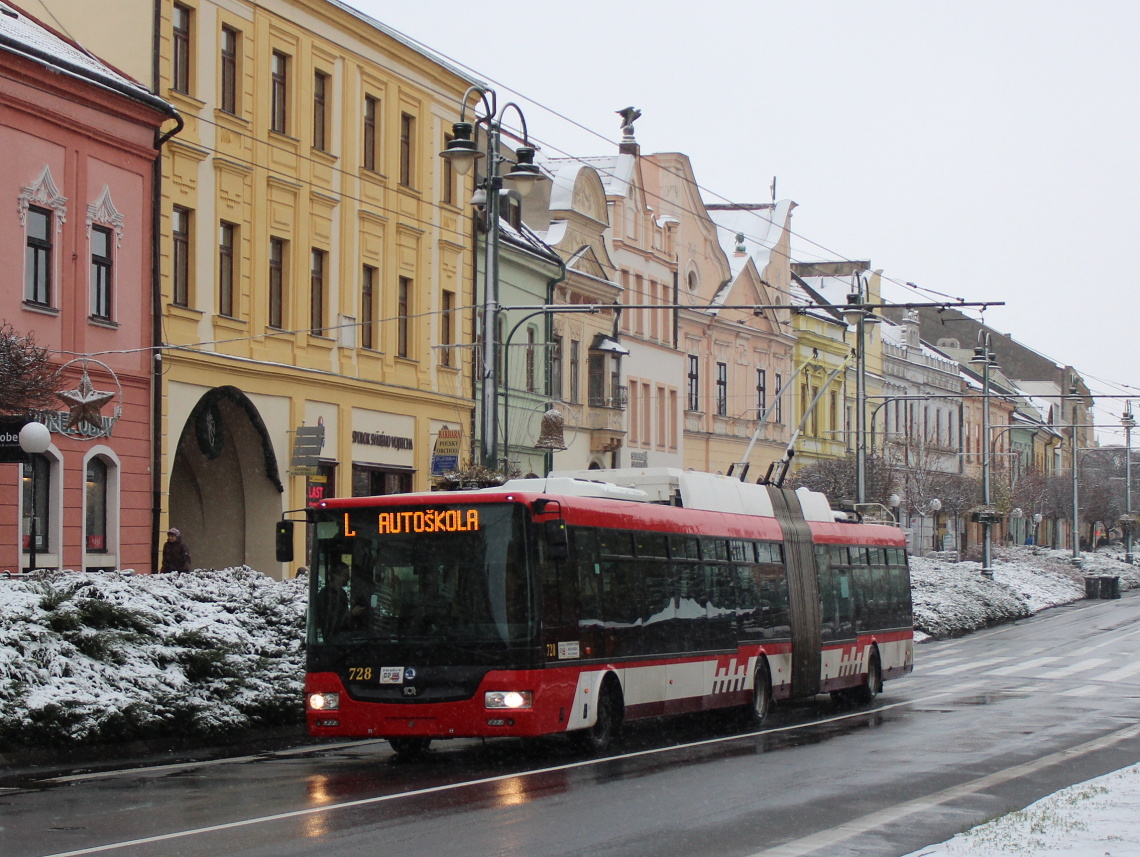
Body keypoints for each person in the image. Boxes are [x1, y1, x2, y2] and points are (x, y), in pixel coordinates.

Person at [316, 562, 366, 639]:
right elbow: (331, 622)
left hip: (342, 635)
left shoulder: (342, 593)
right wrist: (352, 613)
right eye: (345, 575)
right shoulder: (326, 594)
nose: (348, 578)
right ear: (335, 575)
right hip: (333, 638)